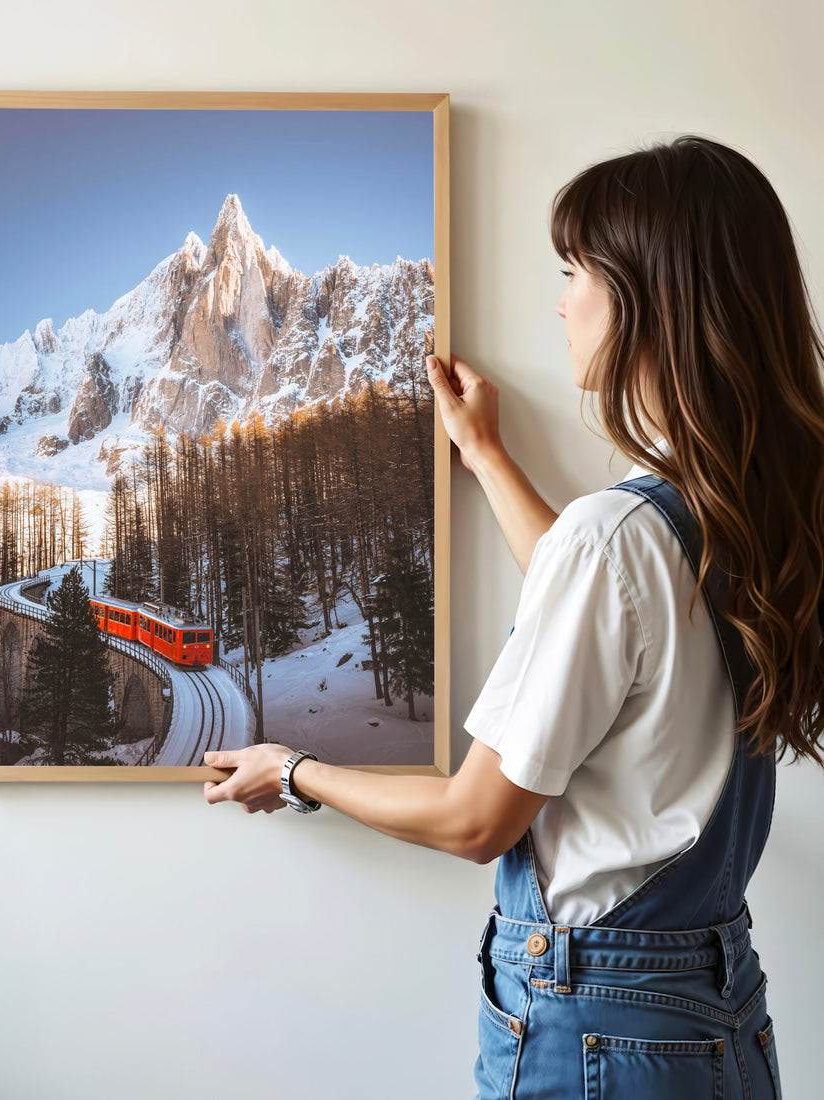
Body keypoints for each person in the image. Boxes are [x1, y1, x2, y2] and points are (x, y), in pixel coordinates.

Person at [201, 134, 824, 1098]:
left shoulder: (619, 536)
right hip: (712, 1016)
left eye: (576, 271)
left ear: (649, 300)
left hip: (597, 1031)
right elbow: (613, 623)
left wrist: (294, 771)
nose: (562, 299)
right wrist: (488, 456)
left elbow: (474, 819)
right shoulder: (741, 510)